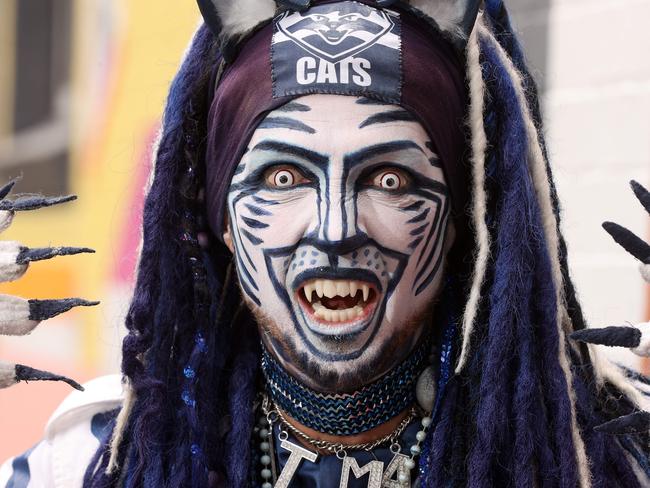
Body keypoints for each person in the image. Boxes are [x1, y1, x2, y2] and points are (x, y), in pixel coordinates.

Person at [1, 1, 649, 487]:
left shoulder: (608, 458)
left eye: (390, 179)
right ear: (222, 218)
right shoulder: (90, 461)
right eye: (283, 178)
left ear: (459, 221)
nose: (335, 228)